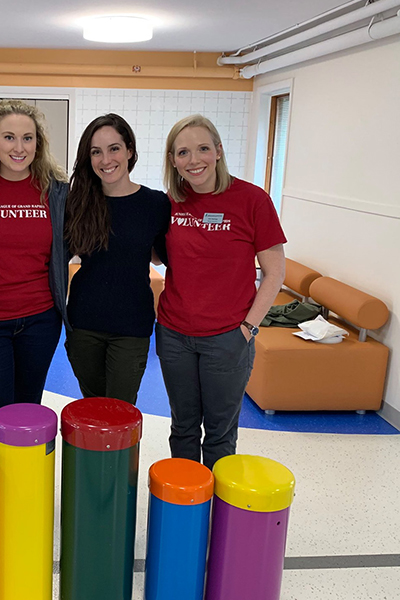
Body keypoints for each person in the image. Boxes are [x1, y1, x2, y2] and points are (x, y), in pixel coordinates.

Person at [0, 100, 69, 526]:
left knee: (29, 410)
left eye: (27, 138)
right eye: (9, 137)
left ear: (38, 144)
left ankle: (27, 491)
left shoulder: (56, 190)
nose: (18, 147)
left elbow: (67, 244)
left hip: (40, 319)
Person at [157, 114, 286, 470]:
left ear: (218, 151)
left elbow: (274, 273)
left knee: (219, 433)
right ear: (173, 160)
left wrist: (248, 328)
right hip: (174, 335)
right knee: (182, 428)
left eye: (202, 148)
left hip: (228, 338)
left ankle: (218, 518)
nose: (193, 159)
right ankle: (186, 514)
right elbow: (153, 251)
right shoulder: (170, 203)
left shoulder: (252, 200)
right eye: (183, 152)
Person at [64, 114, 170, 405]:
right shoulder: (78, 202)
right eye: (96, 151)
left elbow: (163, 257)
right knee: (93, 409)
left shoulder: (155, 203)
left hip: (131, 326)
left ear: (130, 151)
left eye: (114, 148)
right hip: (84, 323)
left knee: (121, 412)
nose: (105, 159)